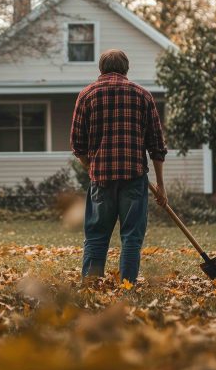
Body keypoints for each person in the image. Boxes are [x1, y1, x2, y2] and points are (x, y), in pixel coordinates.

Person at [70, 49, 168, 285]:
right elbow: (157, 146)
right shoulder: (143, 96)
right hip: (134, 178)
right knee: (132, 238)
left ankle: (91, 286)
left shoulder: (87, 96)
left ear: (101, 69)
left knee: (96, 237)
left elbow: (77, 146)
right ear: (126, 69)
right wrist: (161, 186)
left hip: (101, 180)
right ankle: (127, 286)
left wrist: (92, 168)